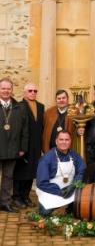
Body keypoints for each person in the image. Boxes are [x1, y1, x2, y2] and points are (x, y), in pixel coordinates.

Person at [36, 130, 85, 216]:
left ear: (70, 141)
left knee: (82, 208)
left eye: (67, 140)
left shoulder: (75, 156)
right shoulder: (47, 158)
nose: (64, 142)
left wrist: (74, 185)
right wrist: (60, 192)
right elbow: (41, 183)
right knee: (44, 212)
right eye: (61, 139)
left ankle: (70, 208)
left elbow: (81, 171)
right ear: (56, 141)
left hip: (71, 189)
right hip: (51, 191)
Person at [13, 83, 44, 209]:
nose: (33, 93)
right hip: (23, 146)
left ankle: (25, 196)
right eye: (30, 90)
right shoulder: (19, 106)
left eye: (35, 91)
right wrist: (20, 147)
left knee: (32, 172)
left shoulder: (41, 107)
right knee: (21, 172)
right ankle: (16, 197)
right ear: (25, 92)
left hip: (36, 145)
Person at [0, 77, 28, 213]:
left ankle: (5, 202)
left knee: (8, 177)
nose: (6, 91)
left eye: (8, 89)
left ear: (12, 90)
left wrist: (23, 148)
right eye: (3, 88)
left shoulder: (19, 107)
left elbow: (25, 130)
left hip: (12, 149)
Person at [42, 89, 74, 154]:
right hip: (50, 151)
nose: (61, 100)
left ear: (68, 99)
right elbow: (43, 130)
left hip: (67, 151)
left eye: (63, 98)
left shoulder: (74, 112)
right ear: (56, 100)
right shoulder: (48, 112)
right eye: (59, 98)